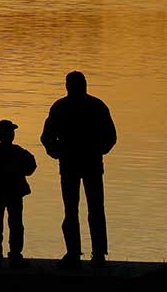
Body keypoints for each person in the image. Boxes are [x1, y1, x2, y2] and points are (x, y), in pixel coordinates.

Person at [40, 71, 117, 269]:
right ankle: (75, 253)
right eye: (73, 84)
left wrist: (96, 151)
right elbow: (47, 137)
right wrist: (57, 152)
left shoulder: (95, 106)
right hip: (70, 165)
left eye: (78, 84)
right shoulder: (62, 107)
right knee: (74, 210)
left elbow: (110, 136)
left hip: (88, 164)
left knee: (94, 209)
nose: (75, 88)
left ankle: (97, 254)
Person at [0, 119, 37, 268]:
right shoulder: (14, 151)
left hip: (8, 193)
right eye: (10, 132)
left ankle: (2, 254)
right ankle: (8, 255)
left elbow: (30, 166)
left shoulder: (3, 151)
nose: (12, 134)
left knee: (9, 224)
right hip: (8, 193)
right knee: (7, 224)